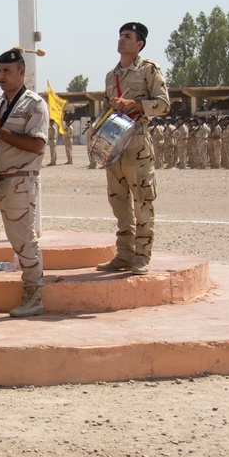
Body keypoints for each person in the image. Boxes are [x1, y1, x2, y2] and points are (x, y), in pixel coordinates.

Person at [95, 22, 170, 275]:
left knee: (142, 201)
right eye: (120, 35)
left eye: (127, 36)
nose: (121, 40)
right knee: (118, 202)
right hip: (114, 143)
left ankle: (142, 256)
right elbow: (108, 109)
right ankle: (124, 254)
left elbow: (163, 105)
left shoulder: (149, 70)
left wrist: (135, 103)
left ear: (139, 44)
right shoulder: (111, 76)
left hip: (137, 142)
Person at [0, 49, 48, 317]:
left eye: (7, 71)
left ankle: (33, 295)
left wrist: (0, 131)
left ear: (22, 72)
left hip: (19, 180)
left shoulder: (34, 104)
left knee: (23, 241)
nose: (1, 76)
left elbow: (37, 145)